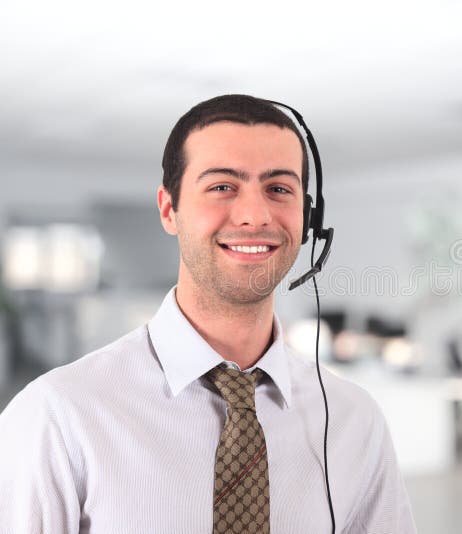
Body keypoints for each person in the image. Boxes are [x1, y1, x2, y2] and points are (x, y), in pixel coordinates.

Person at [0, 95, 417, 534]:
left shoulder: (355, 420)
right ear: (169, 210)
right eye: (222, 187)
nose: (255, 215)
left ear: (308, 218)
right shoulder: (58, 417)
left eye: (279, 189)